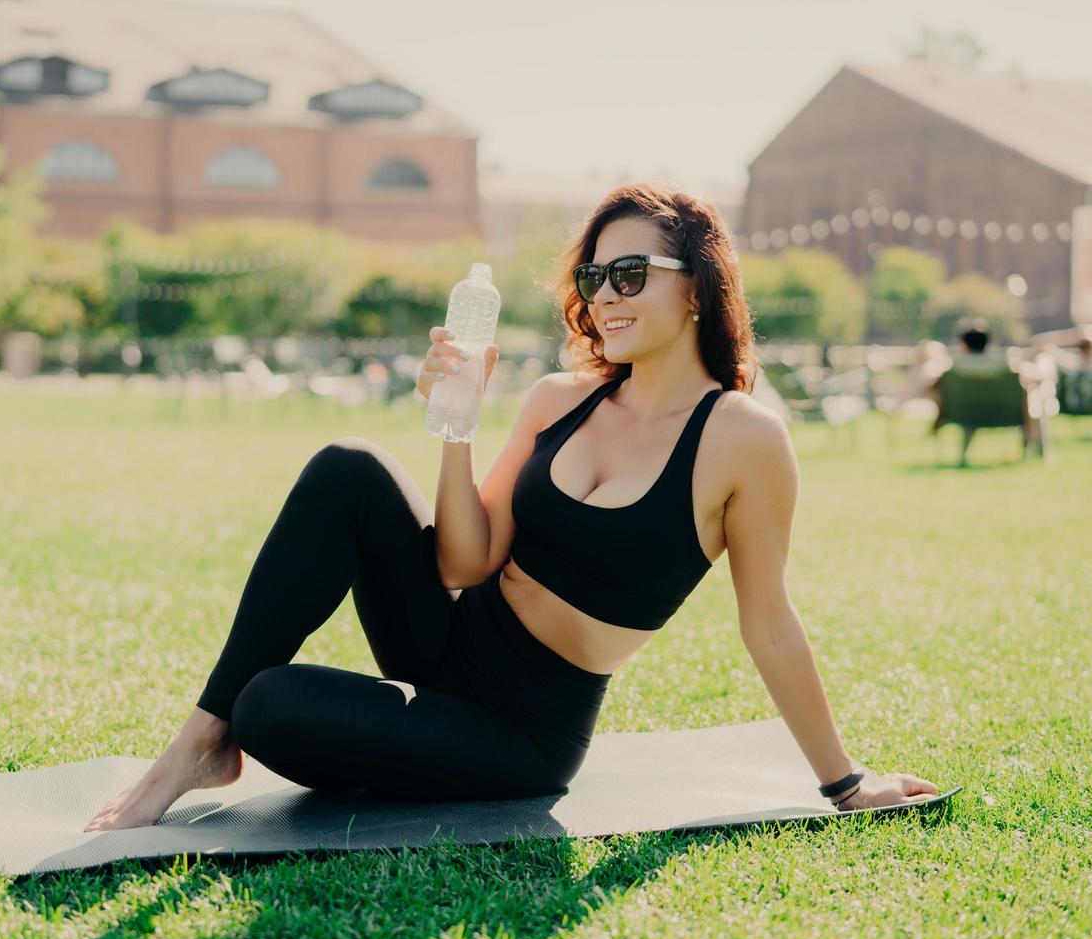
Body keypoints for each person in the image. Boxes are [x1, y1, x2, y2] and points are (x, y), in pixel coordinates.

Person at [84, 183, 939, 832]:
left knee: (273, 704)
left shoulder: (742, 439)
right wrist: (458, 420)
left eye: (631, 274)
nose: (605, 295)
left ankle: (246, 728)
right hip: (449, 637)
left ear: (697, 291)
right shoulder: (559, 398)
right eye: (595, 275)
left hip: (522, 731)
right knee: (348, 467)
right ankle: (198, 744)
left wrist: (844, 783)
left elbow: (771, 624)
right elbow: (463, 563)